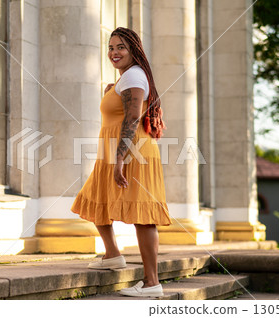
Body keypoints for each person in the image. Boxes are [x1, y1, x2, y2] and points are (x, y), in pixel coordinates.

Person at [70, 27, 170, 297]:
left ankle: (152, 283)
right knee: (94, 197)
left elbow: (133, 118)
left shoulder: (134, 76)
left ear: (133, 50)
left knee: (144, 216)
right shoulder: (126, 79)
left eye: (121, 47)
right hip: (113, 153)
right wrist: (111, 91)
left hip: (131, 154)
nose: (114, 53)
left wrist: (119, 159)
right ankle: (113, 254)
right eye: (111, 47)